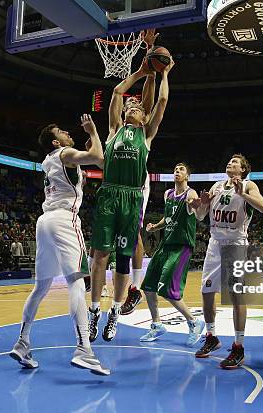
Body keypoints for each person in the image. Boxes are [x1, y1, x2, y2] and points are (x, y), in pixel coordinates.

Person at [10, 114, 110, 375]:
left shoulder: (48, 162)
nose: (68, 133)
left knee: (40, 287)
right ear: (56, 142)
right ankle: (84, 349)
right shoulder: (65, 152)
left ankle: (22, 342)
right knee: (77, 283)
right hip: (65, 220)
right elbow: (98, 156)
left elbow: (79, 172)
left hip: (44, 222)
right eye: (63, 132)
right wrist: (93, 132)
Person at [88, 54, 175, 343]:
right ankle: (94, 311)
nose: (133, 105)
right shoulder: (113, 130)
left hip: (131, 197)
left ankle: (114, 311)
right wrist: (139, 72)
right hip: (109, 194)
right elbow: (116, 91)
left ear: (144, 116)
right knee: (100, 256)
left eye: (138, 105)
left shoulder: (146, 134)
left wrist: (165, 73)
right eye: (131, 105)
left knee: (123, 258)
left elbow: (161, 102)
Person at [191, 154, 263, 369]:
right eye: (229, 161)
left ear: (243, 170)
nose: (230, 163)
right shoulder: (216, 185)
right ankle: (211, 336)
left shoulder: (249, 185)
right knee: (206, 292)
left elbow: (262, 207)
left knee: (235, 294)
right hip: (215, 241)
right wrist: (202, 204)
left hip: (235, 242)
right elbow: (199, 216)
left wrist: (243, 193)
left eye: (236, 162)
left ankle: (238, 346)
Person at [139, 163, 205, 345]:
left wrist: (196, 206)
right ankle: (157, 324)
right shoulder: (168, 194)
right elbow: (168, 218)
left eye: (181, 169)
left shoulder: (191, 194)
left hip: (181, 246)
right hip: (165, 245)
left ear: (187, 176)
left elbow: (198, 213)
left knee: (167, 289)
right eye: (175, 169)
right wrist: (155, 227)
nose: (177, 171)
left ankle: (194, 322)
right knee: (149, 286)